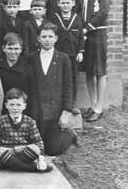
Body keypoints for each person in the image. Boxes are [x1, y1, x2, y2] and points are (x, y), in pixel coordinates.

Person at [27, 22, 77, 156]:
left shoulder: (63, 58)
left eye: (50, 36)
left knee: (53, 150)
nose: (47, 40)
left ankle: (69, 135)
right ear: (38, 38)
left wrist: (66, 112)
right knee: (37, 149)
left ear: (56, 38)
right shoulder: (31, 58)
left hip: (56, 111)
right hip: (38, 111)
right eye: (44, 36)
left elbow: (68, 86)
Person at [75, 0, 111, 122]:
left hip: (97, 33)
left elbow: (103, 12)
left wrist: (88, 27)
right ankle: (92, 104)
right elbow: (77, 10)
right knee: (89, 71)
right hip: (84, 34)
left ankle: (99, 106)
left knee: (99, 71)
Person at [0, 88, 52, 173]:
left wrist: (41, 159)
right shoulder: (0, 121)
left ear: (24, 106)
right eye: (12, 105)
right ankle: (33, 168)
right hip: (7, 152)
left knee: (35, 149)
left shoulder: (29, 121)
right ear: (6, 105)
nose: (15, 108)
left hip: (23, 151)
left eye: (18, 105)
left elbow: (38, 141)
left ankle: (3, 165)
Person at [51, 0, 84, 115]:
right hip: (58, 55)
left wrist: (80, 52)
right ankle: (59, 103)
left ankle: (73, 103)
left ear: (73, 3)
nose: (65, 5)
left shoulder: (77, 18)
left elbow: (81, 36)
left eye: (68, 3)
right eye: (63, 3)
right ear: (58, 4)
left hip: (72, 55)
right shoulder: (54, 18)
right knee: (58, 78)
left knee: (72, 79)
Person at [0, 33, 34, 116]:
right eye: (10, 48)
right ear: (4, 48)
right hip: (2, 110)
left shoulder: (27, 68)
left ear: (21, 49)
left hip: (21, 111)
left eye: (16, 49)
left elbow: (32, 93)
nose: (13, 52)